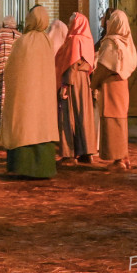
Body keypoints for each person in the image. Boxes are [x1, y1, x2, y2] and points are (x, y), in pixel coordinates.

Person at [0, 5, 58, 179]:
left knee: (24, 127)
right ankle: (43, 169)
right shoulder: (47, 40)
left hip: (25, 96)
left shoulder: (23, 41)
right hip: (43, 96)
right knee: (41, 127)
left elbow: (11, 69)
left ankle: (23, 167)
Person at [91, 10, 137, 171]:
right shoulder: (127, 42)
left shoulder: (111, 43)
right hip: (122, 85)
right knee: (120, 121)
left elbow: (103, 66)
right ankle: (124, 156)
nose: (107, 21)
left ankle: (118, 160)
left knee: (112, 121)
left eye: (110, 20)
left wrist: (93, 83)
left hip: (111, 86)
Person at [55, 13, 98, 165]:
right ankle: (86, 151)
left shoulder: (75, 40)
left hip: (73, 82)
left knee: (68, 115)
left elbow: (71, 64)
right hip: (84, 81)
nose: (69, 23)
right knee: (84, 115)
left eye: (70, 21)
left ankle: (69, 153)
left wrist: (65, 85)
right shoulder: (87, 40)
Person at [0, 16, 21, 135]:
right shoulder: (19, 36)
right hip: (14, 71)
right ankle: (9, 126)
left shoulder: (0, 33)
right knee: (8, 99)